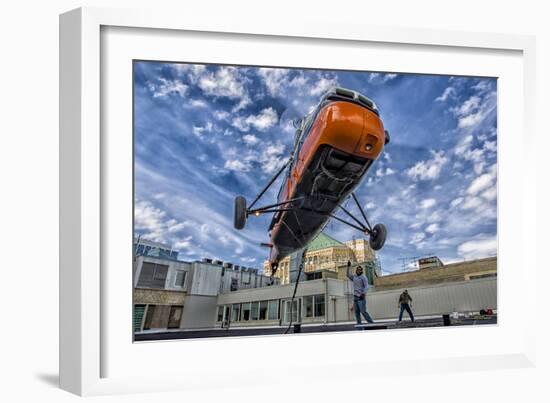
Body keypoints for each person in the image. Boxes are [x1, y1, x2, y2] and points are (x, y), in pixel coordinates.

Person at [346, 261, 374, 325]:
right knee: (357, 312)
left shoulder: (363, 277)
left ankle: (371, 323)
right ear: (356, 271)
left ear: (361, 271)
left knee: (363, 311)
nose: (358, 271)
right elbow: (348, 275)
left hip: (361, 297)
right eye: (357, 270)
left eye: (360, 270)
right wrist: (348, 267)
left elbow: (366, 286)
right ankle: (359, 324)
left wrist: (363, 293)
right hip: (355, 297)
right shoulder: (354, 277)